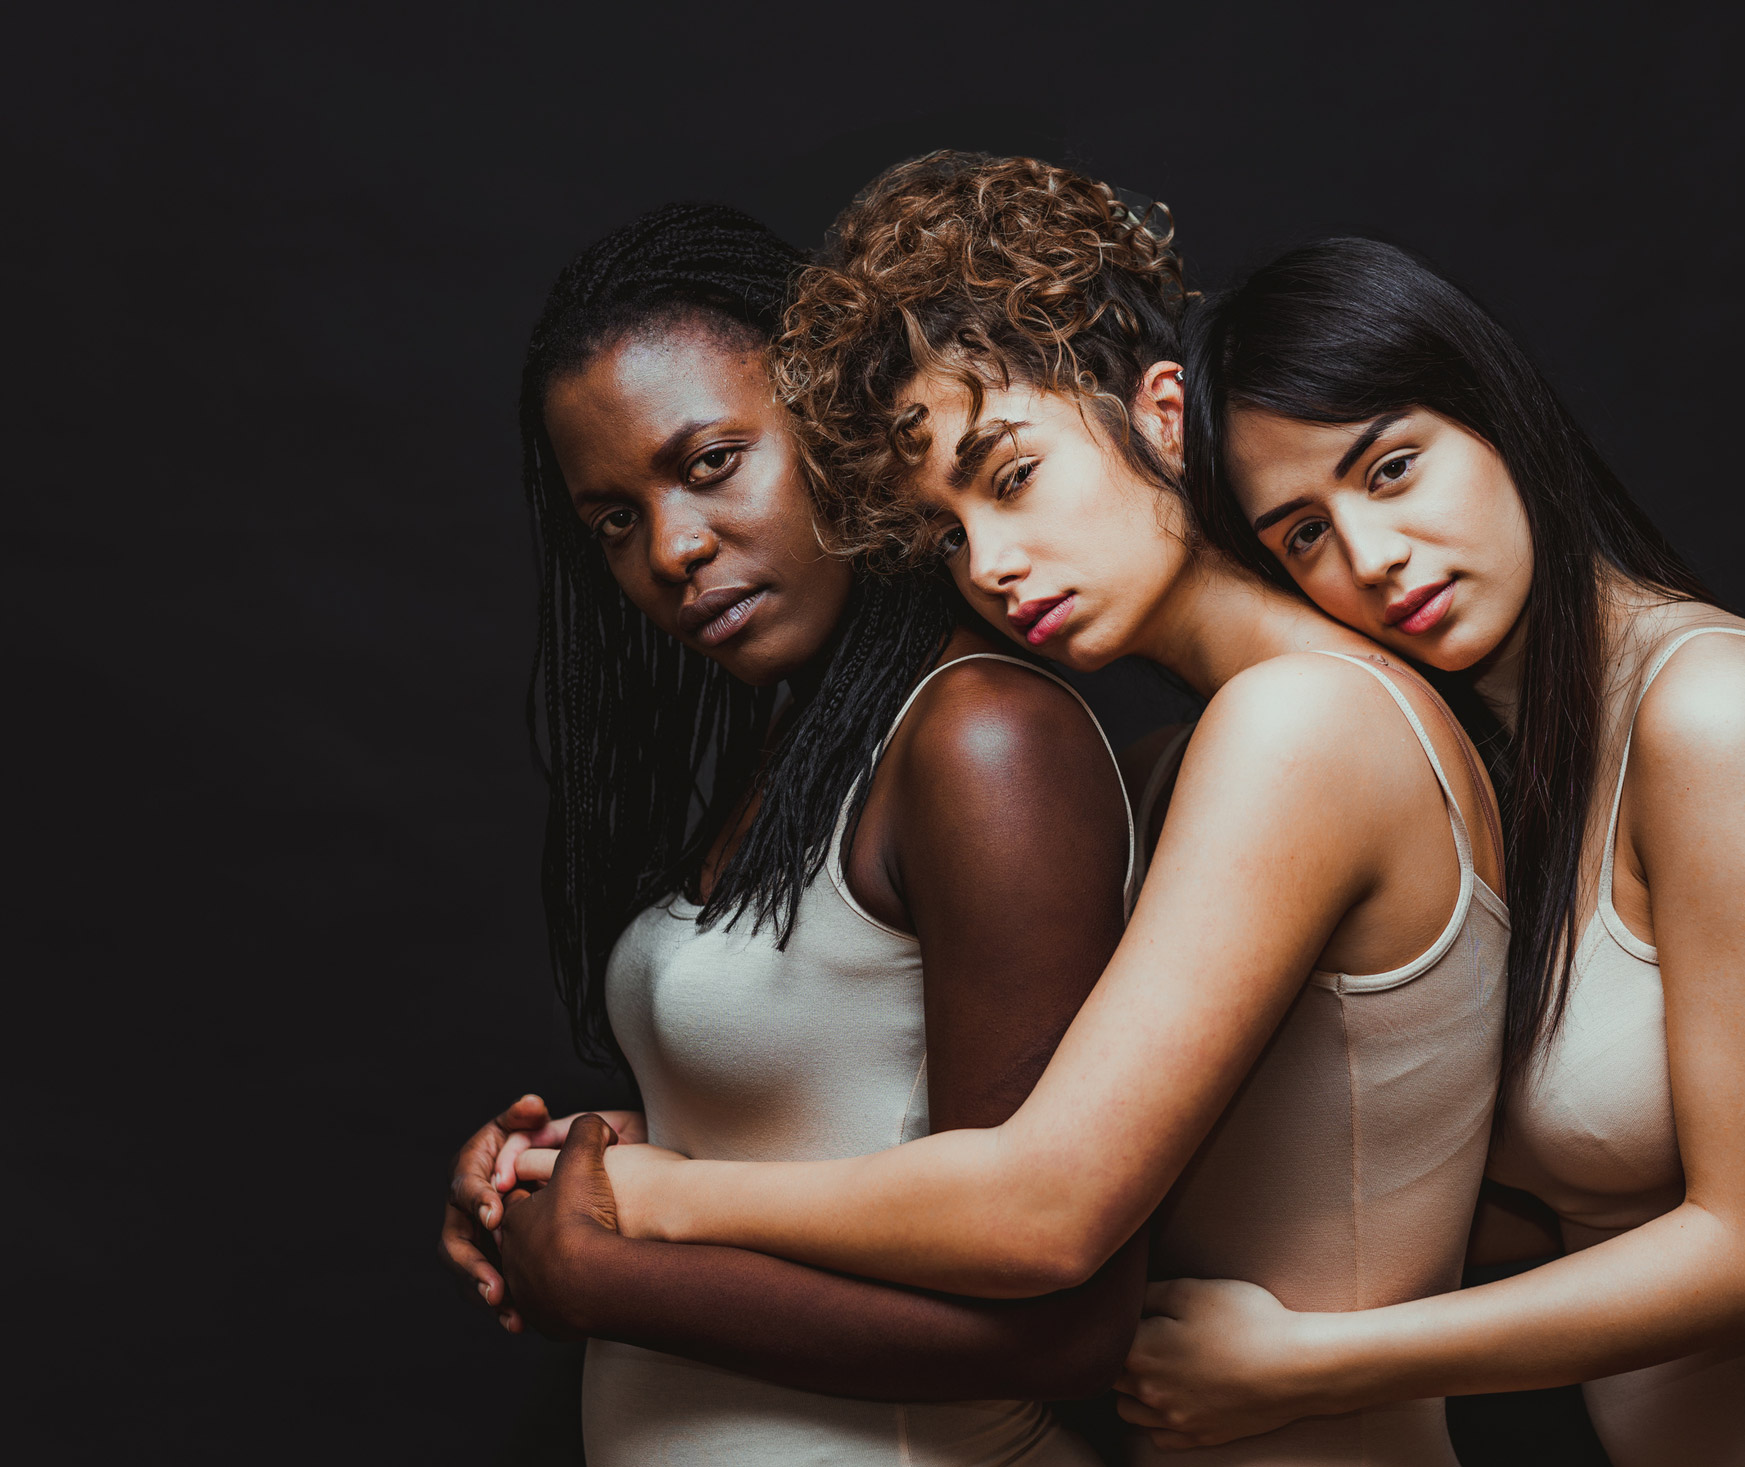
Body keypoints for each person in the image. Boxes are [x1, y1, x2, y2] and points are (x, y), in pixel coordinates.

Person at [515, 153, 1511, 1465]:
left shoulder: (1303, 723)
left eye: (1012, 474)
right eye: (939, 534)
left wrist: (652, 1203)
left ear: (1162, 416)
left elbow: (1048, 1211)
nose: (987, 565)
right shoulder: (1194, 754)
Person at [1108, 237, 1745, 1466]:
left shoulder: (1717, 712)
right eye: (1303, 534)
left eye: (1393, 468)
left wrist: (1302, 1366)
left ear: (1494, 411)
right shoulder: (1498, 772)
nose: (1372, 557)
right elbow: (1555, 1207)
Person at [433, 202, 1153, 1465]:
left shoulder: (980, 739)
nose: (669, 547)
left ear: (839, 423)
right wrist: (571, 1171)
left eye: (709, 461)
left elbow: (1066, 1326)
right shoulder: (802, 743)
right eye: (613, 518)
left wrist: (606, 1279)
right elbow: (841, 1137)